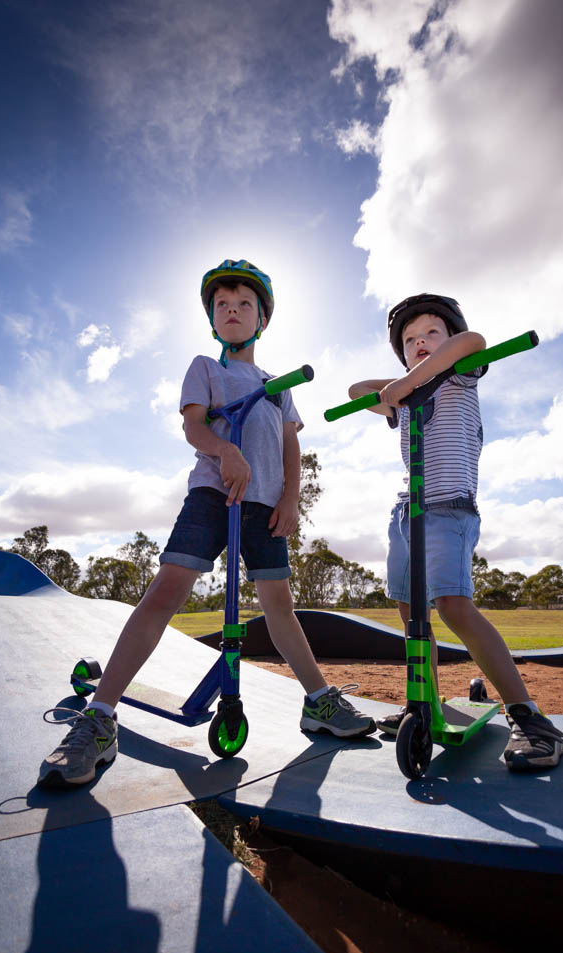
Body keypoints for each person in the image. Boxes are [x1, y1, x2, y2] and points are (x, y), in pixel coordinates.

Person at [38, 259, 374, 787]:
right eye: (223, 306)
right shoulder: (206, 368)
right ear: (213, 321)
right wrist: (225, 452)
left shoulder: (275, 383)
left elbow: (290, 442)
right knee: (167, 591)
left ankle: (317, 702)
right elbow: (194, 428)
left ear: (261, 318)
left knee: (280, 606)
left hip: (265, 505)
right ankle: (100, 718)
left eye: (244, 304)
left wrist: (292, 497)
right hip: (212, 493)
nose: (233, 311)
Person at [346, 293, 563, 771]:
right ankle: (422, 701)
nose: (421, 342)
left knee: (453, 607)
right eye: (409, 340)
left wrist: (414, 376)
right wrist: (400, 387)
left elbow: (473, 340)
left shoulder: (461, 375)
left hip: (450, 509)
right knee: (408, 608)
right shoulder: (403, 400)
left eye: (431, 334)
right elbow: (356, 390)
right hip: (408, 511)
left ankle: (529, 717)